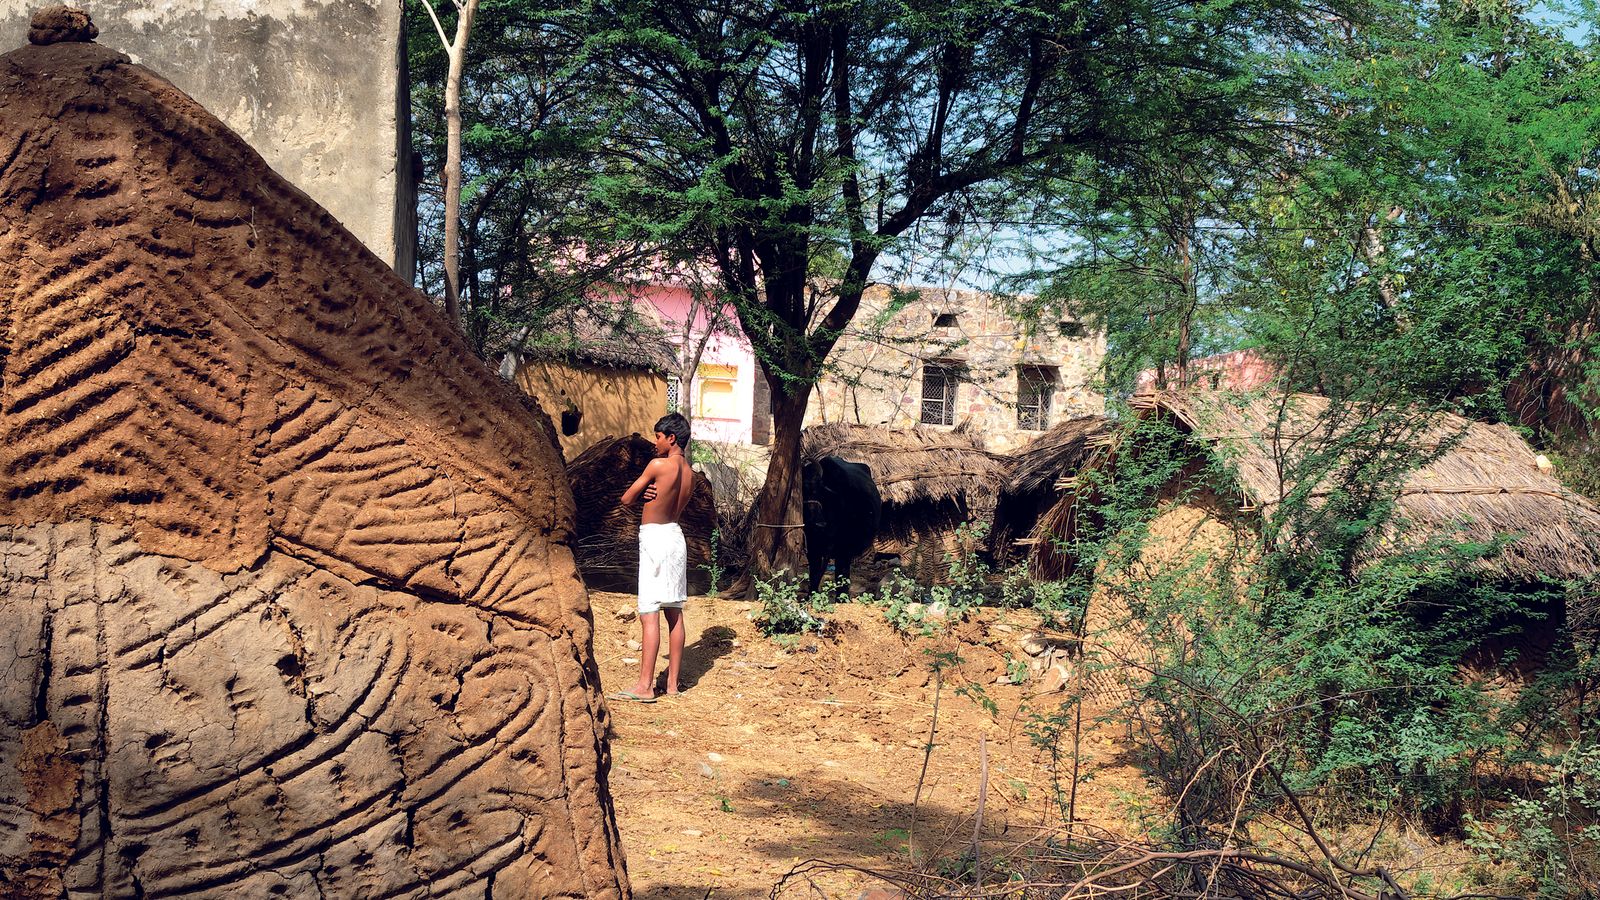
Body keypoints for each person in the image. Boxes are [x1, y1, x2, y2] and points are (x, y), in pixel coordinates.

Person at [612, 412, 694, 702]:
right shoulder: (690, 473)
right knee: (674, 612)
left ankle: (645, 686)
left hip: (654, 539)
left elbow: (626, 498)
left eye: (658, 436)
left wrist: (644, 490)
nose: (654, 442)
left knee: (649, 613)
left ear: (671, 438)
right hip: (675, 537)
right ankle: (672, 685)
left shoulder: (658, 465)